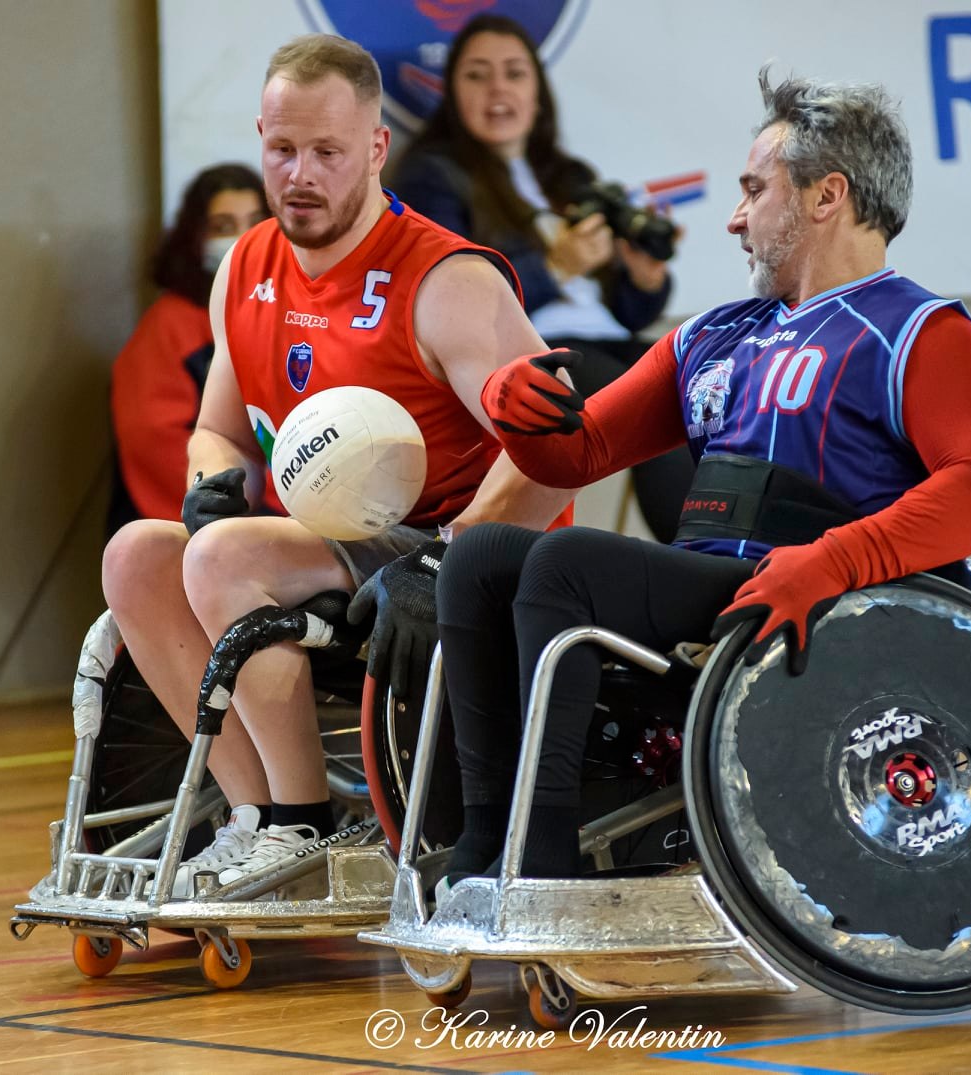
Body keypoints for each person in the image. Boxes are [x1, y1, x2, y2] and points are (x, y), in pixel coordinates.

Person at [431, 73, 971, 887]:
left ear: (826, 196)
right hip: (717, 582)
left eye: (754, 190)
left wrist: (832, 561)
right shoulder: (712, 334)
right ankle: (480, 842)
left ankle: (542, 861)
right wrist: (516, 407)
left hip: (825, 597)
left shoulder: (917, 329)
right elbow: (574, 455)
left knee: (567, 563)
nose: (733, 217)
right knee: (478, 559)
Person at [100, 34, 573, 896]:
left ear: (377, 148)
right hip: (325, 537)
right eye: (283, 150)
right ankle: (254, 819)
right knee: (135, 553)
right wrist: (210, 484)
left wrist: (454, 557)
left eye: (328, 152)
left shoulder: (444, 280)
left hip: (448, 546)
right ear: (260, 138)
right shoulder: (246, 264)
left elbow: (562, 448)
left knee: (223, 557)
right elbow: (217, 433)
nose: (301, 175)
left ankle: (306, 821)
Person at [387, 14, 694, 543]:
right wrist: (555, 267)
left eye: (514, 73)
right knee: (654, 413)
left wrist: (645, 281)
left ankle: (735, 546)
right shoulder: (433, 175)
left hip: (608, 342)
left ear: (537, 92)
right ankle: (696, 550)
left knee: (703, 385)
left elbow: (627, 313)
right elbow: (445, 296)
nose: (498, 89)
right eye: (477, 75)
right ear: (452, 91)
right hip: (538, 350)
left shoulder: (569, 175)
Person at [108, 164, 268, 535]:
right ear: (195, 236)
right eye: (223, 226)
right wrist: (247, 502)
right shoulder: (170, 324)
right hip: (192, 526)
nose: (242, 238)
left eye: (255, 222)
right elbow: (154, 440)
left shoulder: (275, 310)